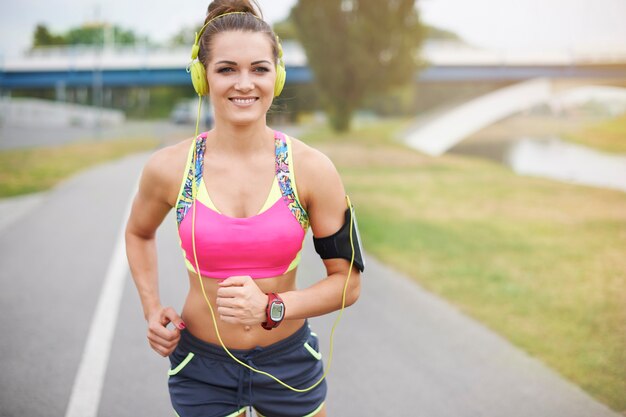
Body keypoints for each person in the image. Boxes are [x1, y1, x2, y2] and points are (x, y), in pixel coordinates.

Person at [125, 1, 362, 416]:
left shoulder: (313, 169)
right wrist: (151, 307)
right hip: (201, 366)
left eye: (259, 68)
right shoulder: (168, 168)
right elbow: (138, 232)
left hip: (288, 362)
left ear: (278, 75)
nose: (244, 84)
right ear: (203, 77)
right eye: (226, 69)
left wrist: (274, 306)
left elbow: (348, 283)